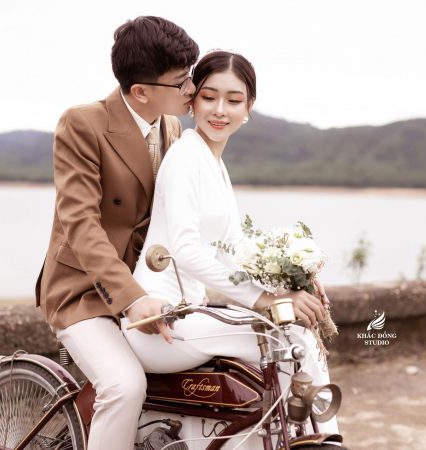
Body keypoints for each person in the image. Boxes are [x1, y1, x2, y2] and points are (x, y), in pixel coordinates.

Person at [122, 50, 339, 434]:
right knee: (292, 338)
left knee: (292, 337)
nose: (220, 110)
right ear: (192, 100)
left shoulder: (214, 163)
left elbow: (233, 252)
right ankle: (325, 439)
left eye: (234, 100)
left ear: (248, 107)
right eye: (209, 97)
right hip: (160, 321)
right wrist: (265, 300)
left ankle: (299, 437)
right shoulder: (186, 156)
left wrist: (289, 285)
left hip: (191, 316)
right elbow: (186, 251)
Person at [35, 16, 199, 450]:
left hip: (151, 285)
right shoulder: (82, 123)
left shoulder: (172, 127)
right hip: (84, 289)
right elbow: (80, 223)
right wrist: (131, 298)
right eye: (181, 81)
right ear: (141, 91)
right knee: (124, 387)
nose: (191, 89)